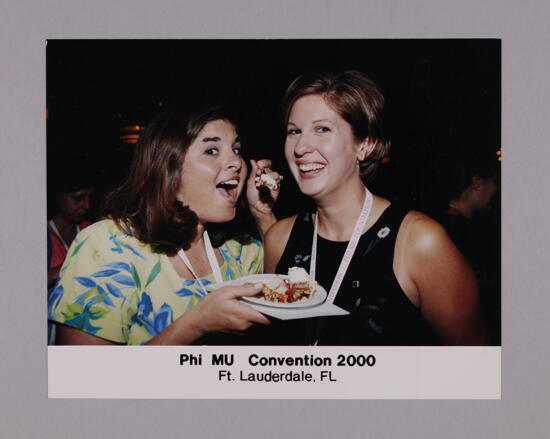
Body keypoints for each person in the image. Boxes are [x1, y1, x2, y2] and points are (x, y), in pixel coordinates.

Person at [263, 71, 487, 346]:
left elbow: (477, 367)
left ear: (365, 145)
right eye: (294, 131)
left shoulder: (419, 242)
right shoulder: (279, 238)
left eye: (322, 129)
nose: (301, 147)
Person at [48, 105, 279, 345]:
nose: (237, 162)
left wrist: (263, 212)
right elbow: (80, 377)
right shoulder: (106, 246)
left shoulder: (240, 249)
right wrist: (196, 324)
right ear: (169, 167)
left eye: (236, 149)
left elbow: (288, 295)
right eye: (211, 150)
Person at [437, 149, 500, 344]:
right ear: (477, 183)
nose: (497, 190)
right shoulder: (472, 235)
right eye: (495, 183)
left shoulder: (438, 225)